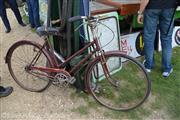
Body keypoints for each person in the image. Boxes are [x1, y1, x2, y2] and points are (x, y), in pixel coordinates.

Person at [137, 0, 177, 77]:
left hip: (152, 7)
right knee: (166, 39)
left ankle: (149, 65)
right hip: (169, 7)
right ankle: (167, 68)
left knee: (149, 37)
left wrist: (140, 12)